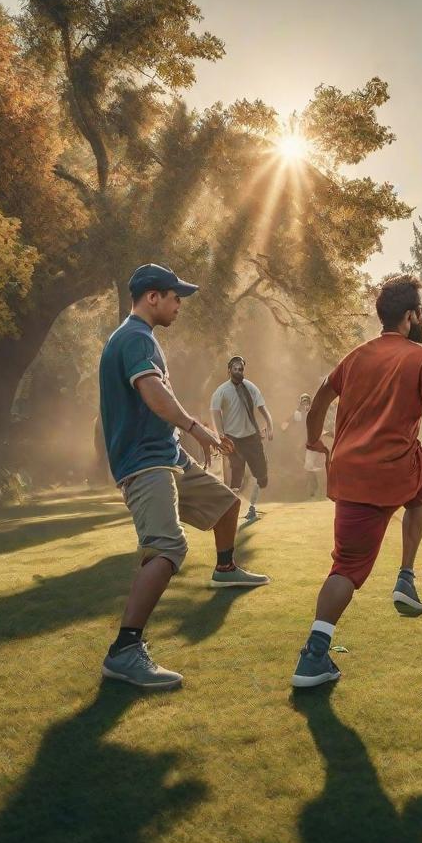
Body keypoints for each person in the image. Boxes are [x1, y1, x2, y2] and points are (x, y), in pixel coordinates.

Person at [290, 274, 422, 688]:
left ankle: (314, 655)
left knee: (345, 568)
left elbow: (318, 401)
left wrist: (314, 439)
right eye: (419, 312)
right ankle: (405, 575)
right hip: (392, 471)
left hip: (349, 474)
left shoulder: (354, 357)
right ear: (410, 316)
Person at [99, 264, 270, 689]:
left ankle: (226, 567)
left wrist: (184, 440)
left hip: (167, 454)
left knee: (227, 503)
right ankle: (124, 650)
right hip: (145, 463)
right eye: (175, 297)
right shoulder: (135, 337)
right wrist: (198, 429)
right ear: (152, 297)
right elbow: (153, 392)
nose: (179, 304)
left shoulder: (143, 339)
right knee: (167, 548)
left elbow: (159, 398)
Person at [210, 356, 274, 522]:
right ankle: (232, 509)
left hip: (251, 437)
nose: (239, 372)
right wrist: (221, 435)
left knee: (262, 476)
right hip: (233, 438)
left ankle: (251, 505)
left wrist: (270, 425)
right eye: (236, 369)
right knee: (237, 470)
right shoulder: (222, 390)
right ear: (229, 370)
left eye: (241, 369)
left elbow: (263, 409)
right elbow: (215, 412)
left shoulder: (250, 387)